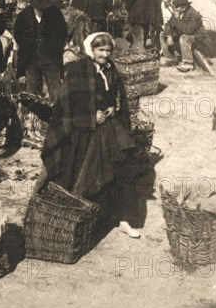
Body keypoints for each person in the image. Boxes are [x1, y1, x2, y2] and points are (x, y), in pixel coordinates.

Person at [39, 32, 141, 238]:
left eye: (108, 51)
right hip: (82, 131)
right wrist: (90, 116)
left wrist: (113, 107)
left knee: (121, 168)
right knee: (83, 173)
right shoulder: (77, 70)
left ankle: (122, 218)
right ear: (91, 50)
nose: (104, 54)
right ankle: (78, 221)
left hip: (109, 129)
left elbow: (116, 96)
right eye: (100, 50)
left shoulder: (111, 71)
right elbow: (66, 104)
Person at [13, 0, 68, 103]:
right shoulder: (24, 16)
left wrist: (54, 48)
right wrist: (27, 45)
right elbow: (18, 35)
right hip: (31, 59)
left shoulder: (55, 14)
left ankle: (57, 117)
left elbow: (62, 34)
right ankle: (35, 120)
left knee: (56, 92)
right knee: (33, 94)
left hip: (51, 58)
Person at [160, 0, 209, 72]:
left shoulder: (194, 15)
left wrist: (176, 19)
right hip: (185, 36)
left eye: (177, 7)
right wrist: (169, 35)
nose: (175, 9)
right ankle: (171, 58)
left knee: (184, 37)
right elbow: (168, 24)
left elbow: (187, 30)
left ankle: (188, 63)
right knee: (163, 34)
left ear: (183, 7)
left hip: (199, 38)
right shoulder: (178, 12)